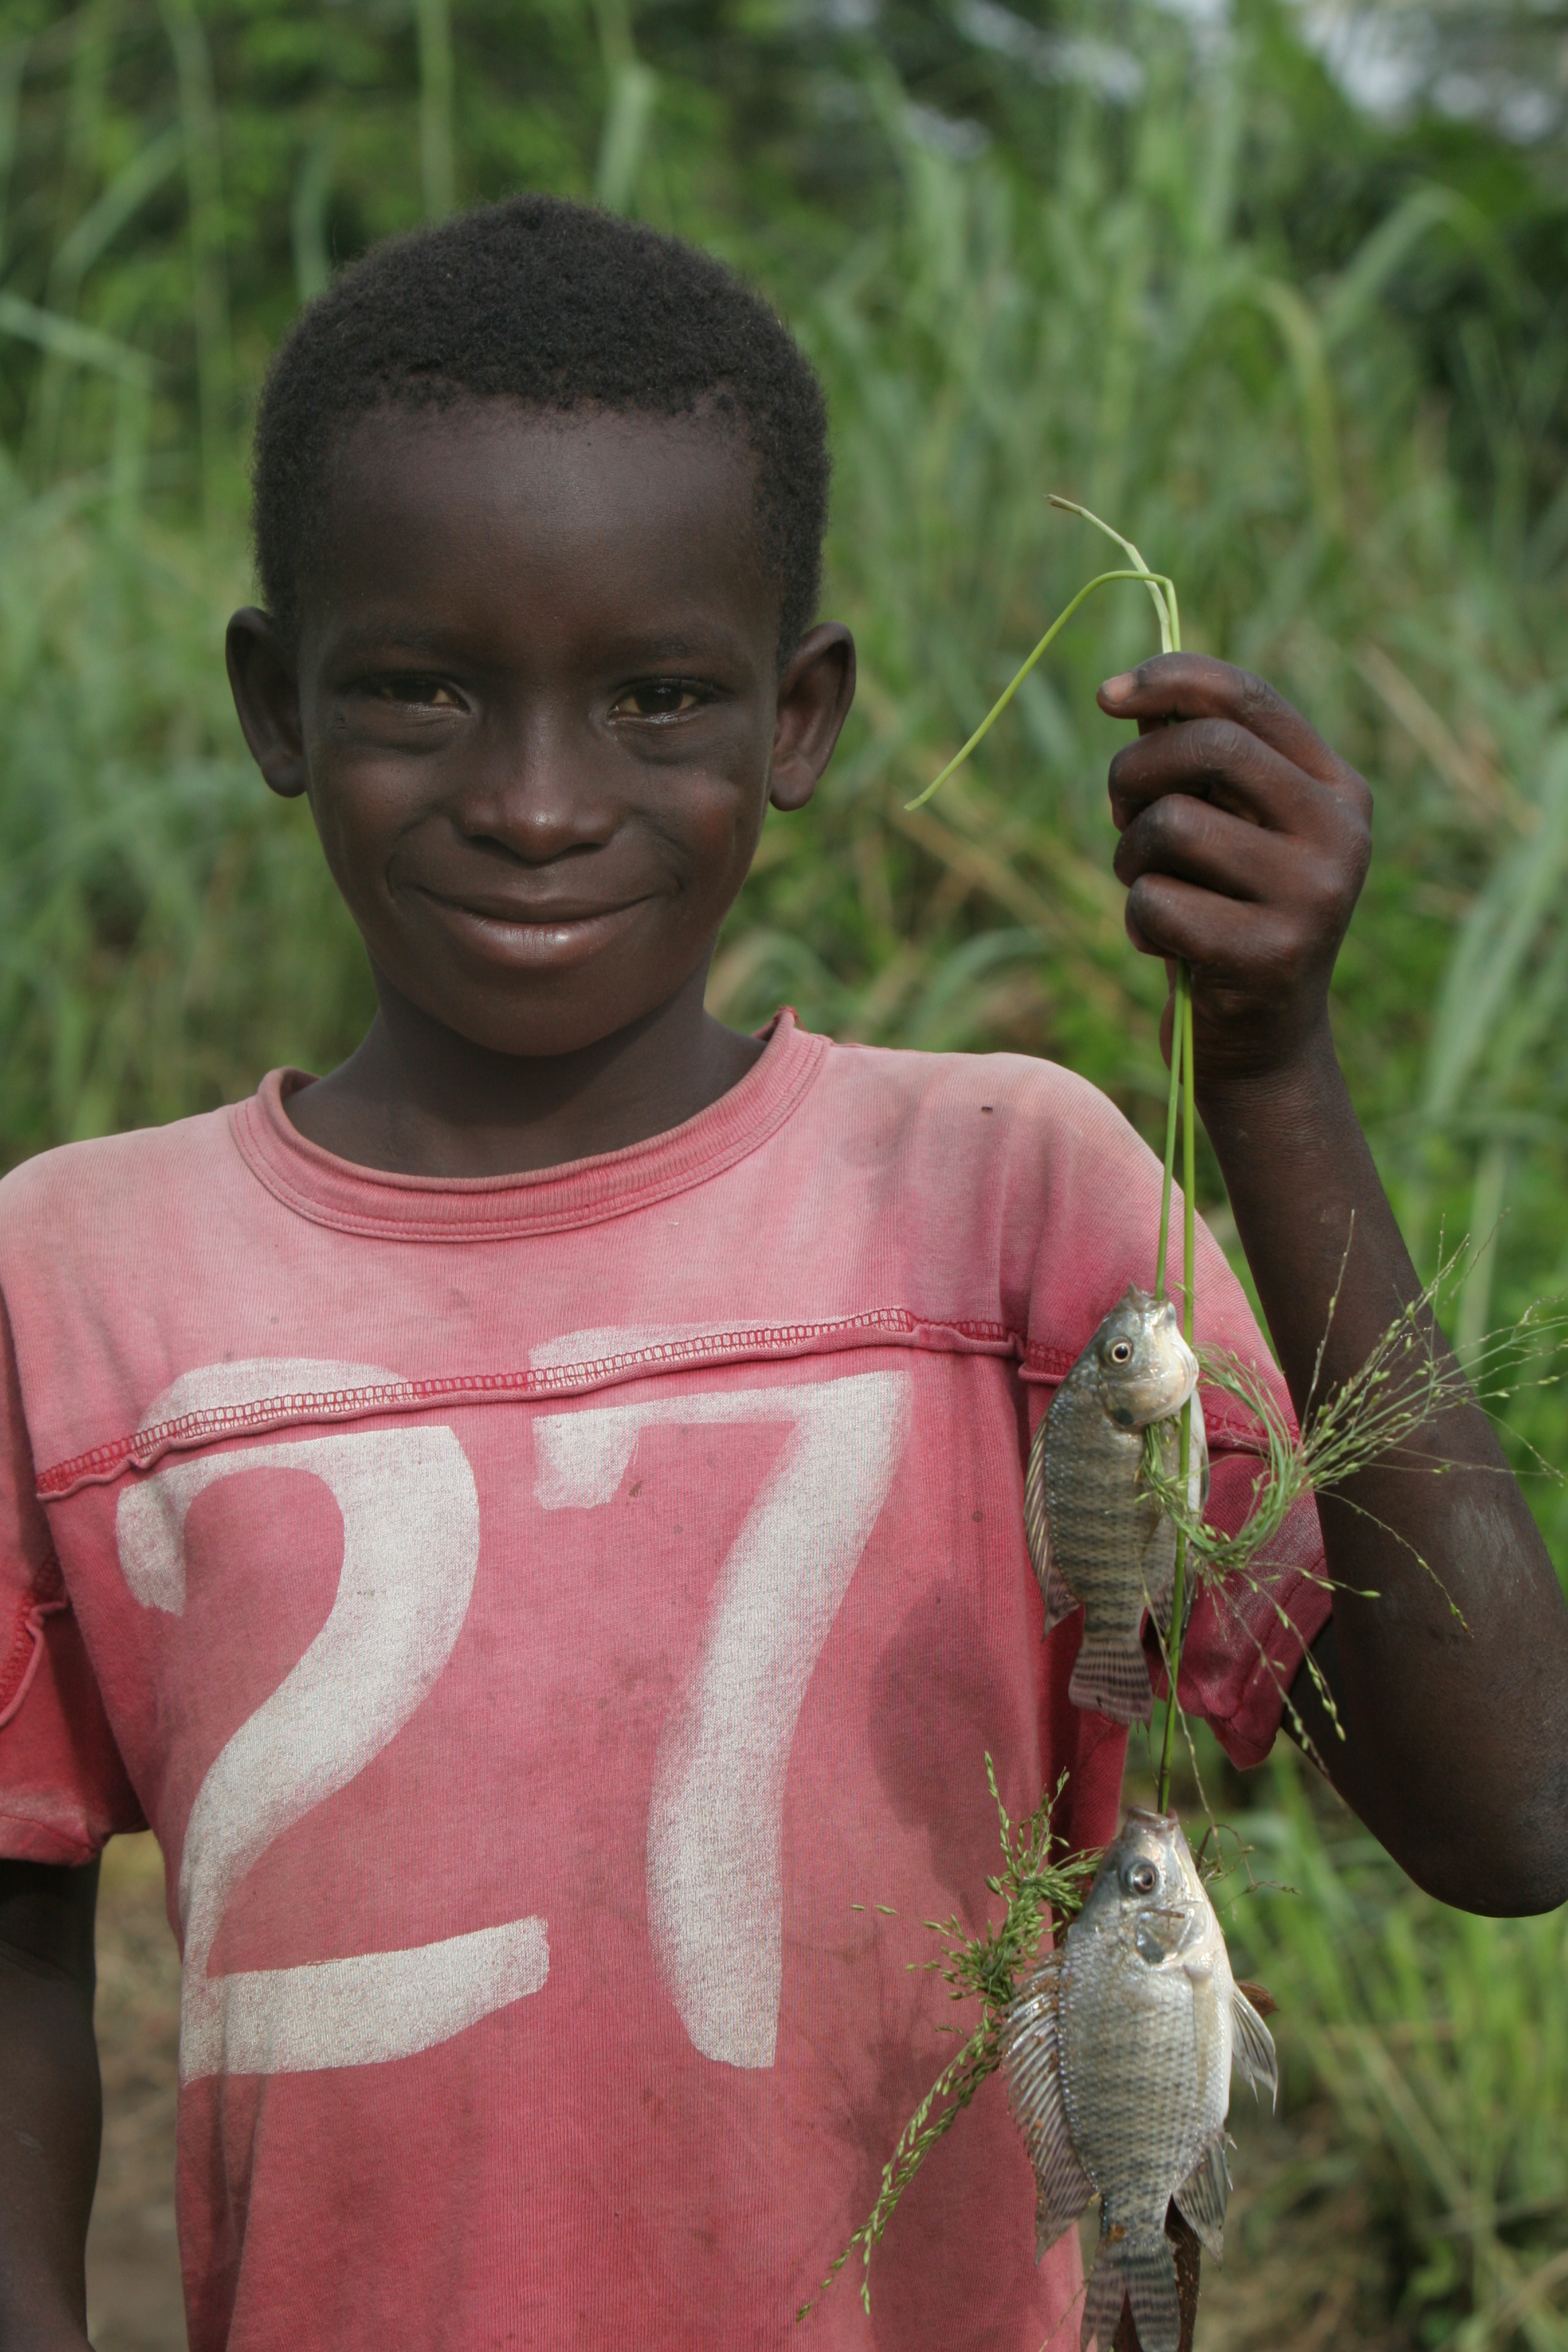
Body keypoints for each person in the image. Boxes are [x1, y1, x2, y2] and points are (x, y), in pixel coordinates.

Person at [0, 194, 1561, 2352]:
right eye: (422, 689)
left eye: (657, 696)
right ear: (276, 704)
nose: (537, 803)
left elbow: (1515, 1805)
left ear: (799, 719)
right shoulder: (70, 1271)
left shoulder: (1016, 1192)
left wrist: (1277, 1071)